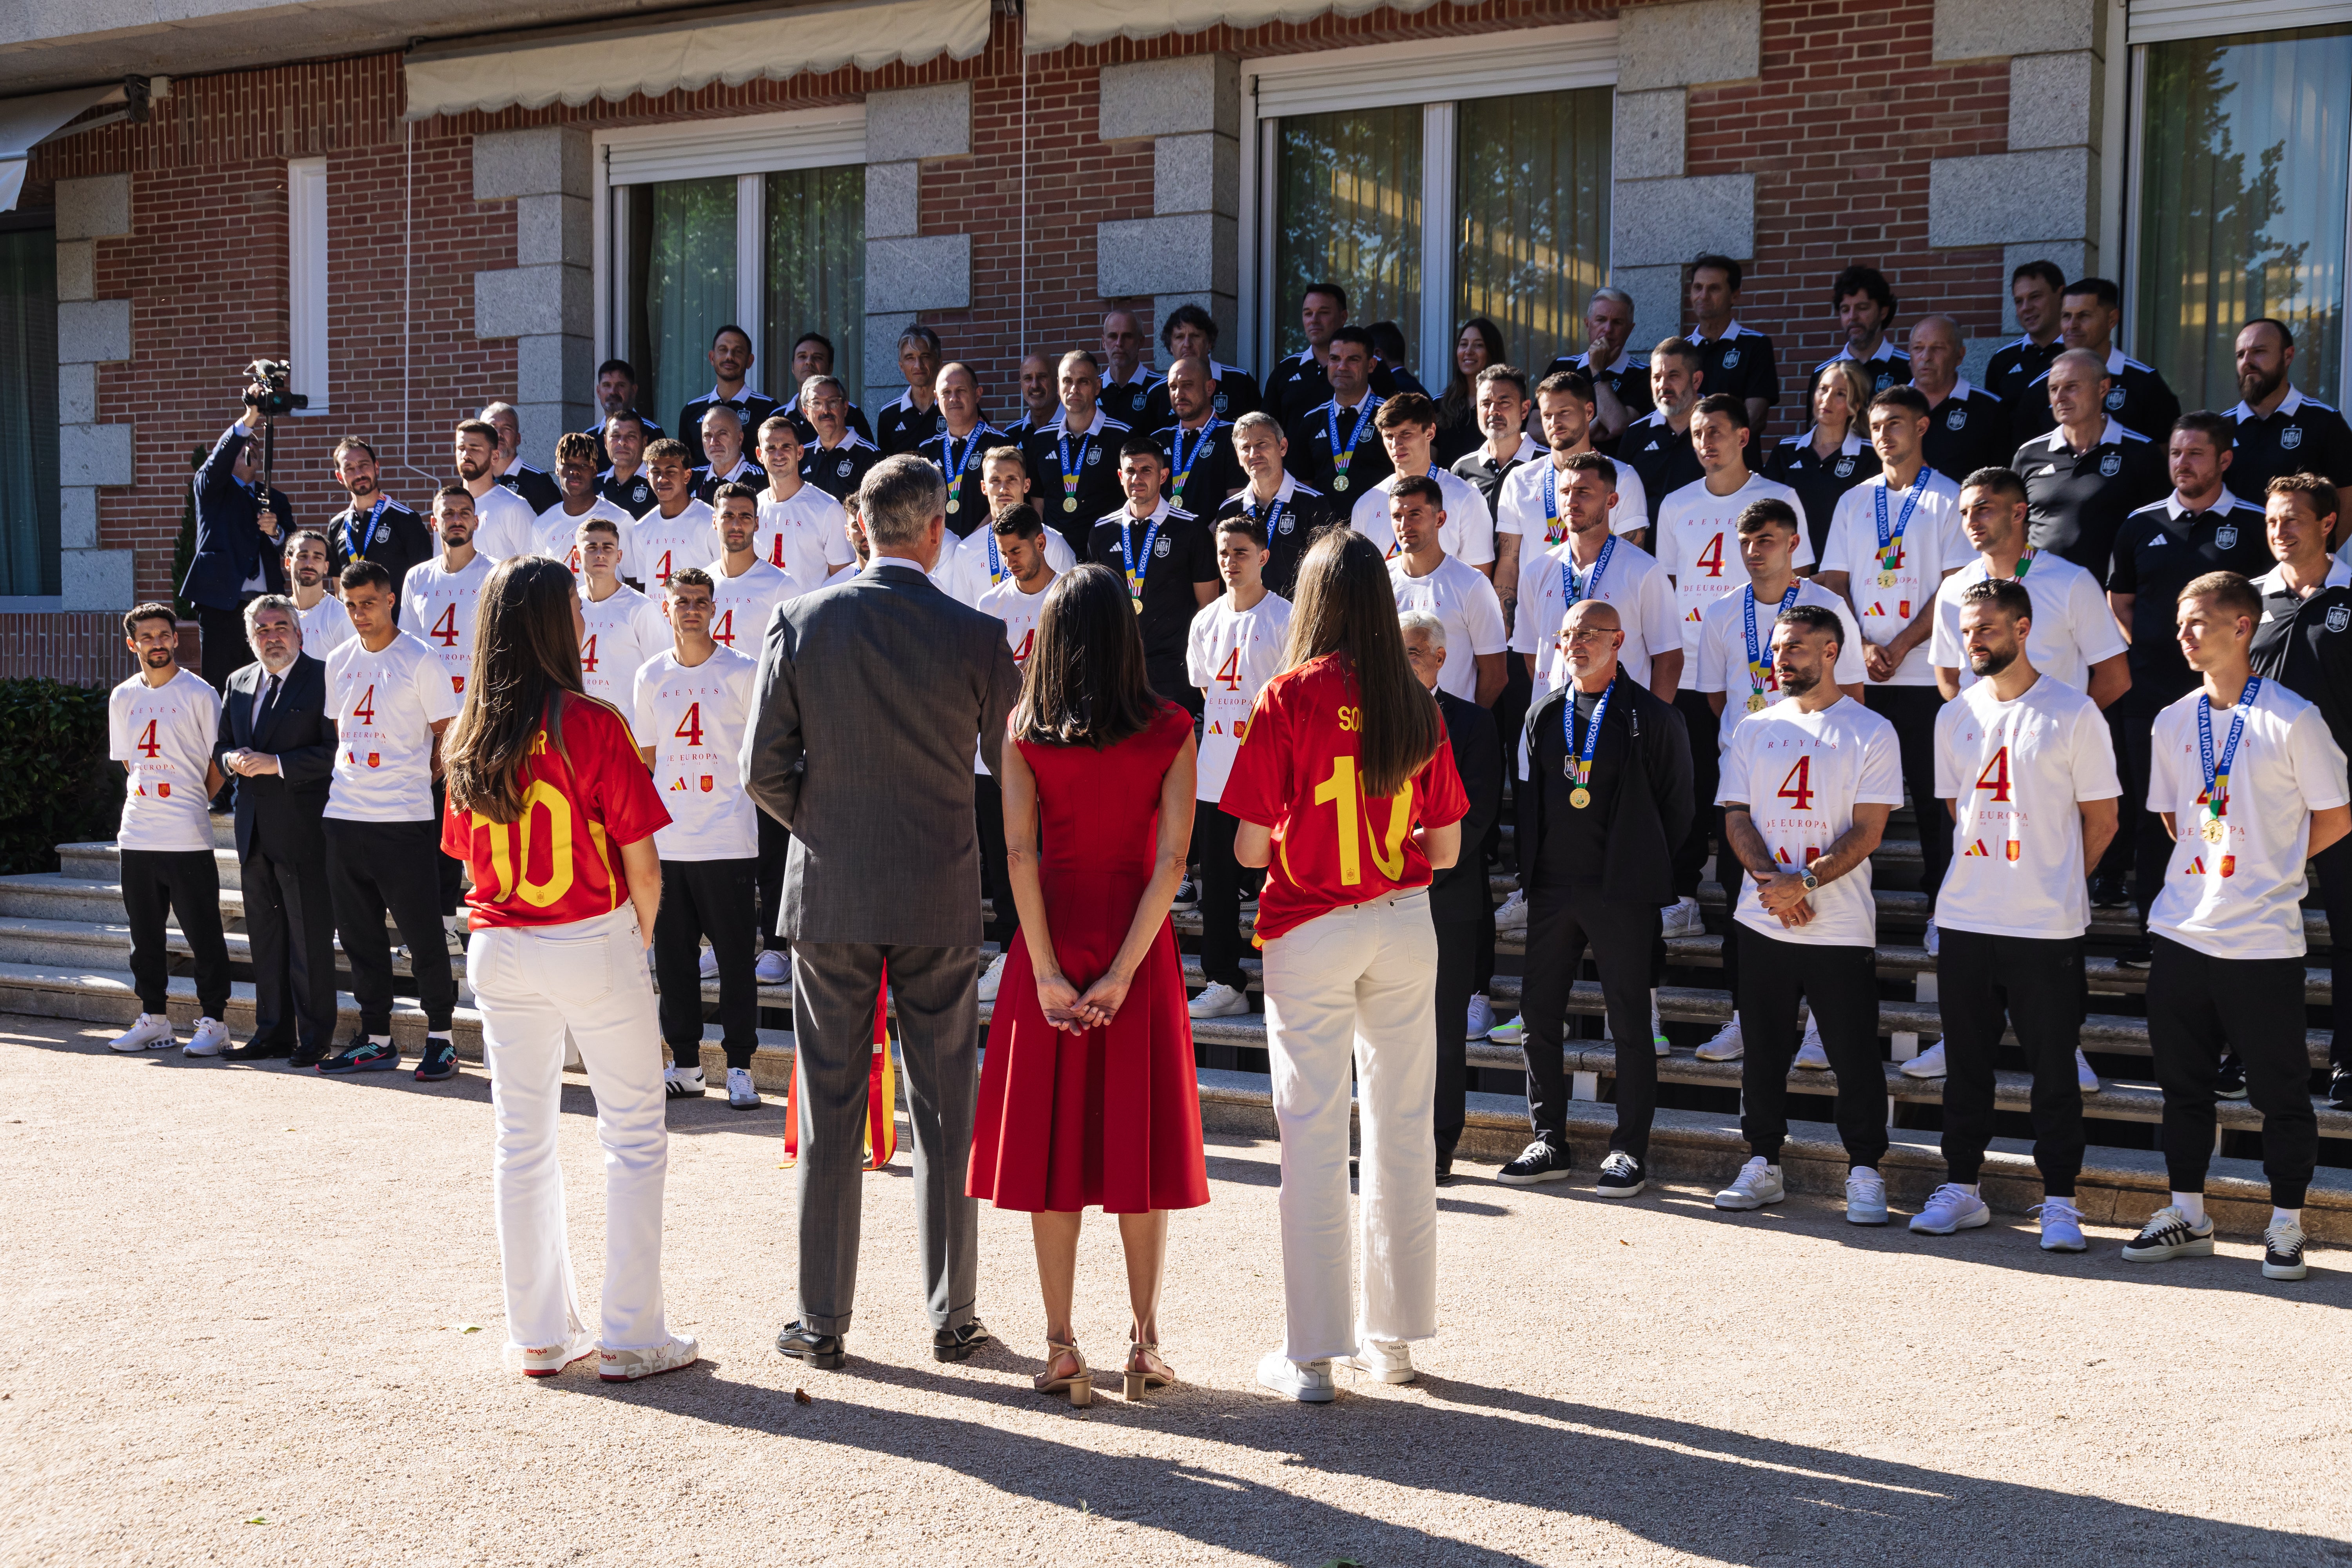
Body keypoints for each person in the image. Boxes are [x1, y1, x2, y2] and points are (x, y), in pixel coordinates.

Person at [744, 454, 1022, 1372]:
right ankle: (955, 1314)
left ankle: (821, 1318)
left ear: (859, 527)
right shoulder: (976, 635)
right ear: (937, 528)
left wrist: (823, 824)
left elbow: (762, 770)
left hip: (831, 884)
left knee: (831, 1105)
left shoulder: (800, 619)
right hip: (937, 883)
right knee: (948, 1109)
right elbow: (1010, 766)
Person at [1222, 529, 1469, 1403]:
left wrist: (1303, 830)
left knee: (1313, 1134)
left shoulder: (1288, 694)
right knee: (1403, 1130)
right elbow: (1445, 849)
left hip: (1313, 923)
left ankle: (1313, 1356)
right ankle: (1393, 1343)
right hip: (1402, 919)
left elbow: (1250, 848)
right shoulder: (1416, 697)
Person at [439, 555, 693, 1381]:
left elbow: (464, 857)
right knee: (633, 1136)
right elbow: (645, 867)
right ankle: (630, 1334)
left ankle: (541, 1335)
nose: (587, 619)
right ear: (556, 625)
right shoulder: (592, 721)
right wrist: (636, 945)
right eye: (575, 610)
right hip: (589, 931)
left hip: (498, 942)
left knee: (522, 1138)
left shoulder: (466, 730)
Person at [966, 563, 1206, 1405]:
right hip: (1136, 946)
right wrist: (1125, 970)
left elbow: (1019, 855)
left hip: (1054, 935)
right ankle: (1145, 1341)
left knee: (1053, 1150)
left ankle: (1063, 1343)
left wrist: (1041, 969)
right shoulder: (1173, 724)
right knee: (1136, 1147)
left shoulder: (1024, 731)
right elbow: (1175, 857)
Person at [2127, 570, 2349, 1282]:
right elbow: (2172, 818)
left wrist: (2272, 861)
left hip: (2261, 937)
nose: (2184, 635)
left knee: (2280, 1092)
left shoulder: (2294, 717)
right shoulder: (2171, 719)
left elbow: (2337, 816)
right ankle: (2188, 1214)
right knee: (2183, 1088)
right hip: (2184, 930)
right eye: (2181, 623)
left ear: (2242, 627)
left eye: (2199, 623)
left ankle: (2286, 1227)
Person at [1912, 579, 2120, 1250]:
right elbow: (1957, 812)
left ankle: (2060, 1200)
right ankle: (1962, 1187)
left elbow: (2103, 819)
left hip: (2044, 925)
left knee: (2054, 1070)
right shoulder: (1954, 715)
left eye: (1988, 629)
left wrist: (2055, 879)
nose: (1974, 641)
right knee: (1967, 1065)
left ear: (2024, 629)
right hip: (1968, 916)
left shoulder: (2073, 711)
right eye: (1968, 630)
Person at [1711, 604, 1904, 1223]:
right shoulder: (1752, 728)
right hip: (1762, 914)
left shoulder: (1871, 730)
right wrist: (1776, 885)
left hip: (1840, 922)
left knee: (1852, 1053)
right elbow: (1735, 813)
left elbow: (1870, 830)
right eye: (1776, 648)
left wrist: (1807, 881)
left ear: (1830, 652)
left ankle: (1866, 1169)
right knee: (1764, 1049)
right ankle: (1763, 1161)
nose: (1781, 658)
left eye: (1794, 647)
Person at [1502, 597, 1693, 1194]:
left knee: (1631, 1023)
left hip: (1622, 891)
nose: (1576, 643)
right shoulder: (1543, 714)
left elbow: (1679, 809)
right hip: (1555, 888)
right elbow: (1529, 802)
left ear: (1619, 642)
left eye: (1589, 633)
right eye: (1566, 635)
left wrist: (1644, 870)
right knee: (1538, 1018)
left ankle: (1629, 1149)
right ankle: (1548, 1139)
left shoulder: (1652, 717)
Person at [1688, 497, 1866, 1066]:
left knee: (1825, 884)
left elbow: (1854, 695)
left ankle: (1817, 1025)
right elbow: (1719, 697)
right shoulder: (1720, 612)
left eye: (1765, 539)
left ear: (1794, 543)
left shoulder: (1827, 605)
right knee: (1748, 895)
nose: (1752, 551)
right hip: (1750, 768)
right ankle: (1744, 1018)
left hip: (1819, 766)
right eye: (1745, 541)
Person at [1498, 452, 1682, 960]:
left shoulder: (1642, 571)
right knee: (1548, 865)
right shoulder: (1539, 570)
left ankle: (1641, 1009)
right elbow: (1526, 656)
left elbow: (1669, 657)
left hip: (1618, 735)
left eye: (1584, 491)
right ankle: (1543, 1005)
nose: (1572, 501)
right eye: (1565, 491)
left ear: (1612, 500)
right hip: (1552, 736)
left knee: (1619, 871)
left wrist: (1648, 730)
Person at [2101, 412, 2272, 950]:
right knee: (2158, 815)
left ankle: (2229, 925)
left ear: (2224, 459)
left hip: (2232, 701)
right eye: (2176, 454)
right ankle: (2157, 931)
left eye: (2196, 454)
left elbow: (2270, 607)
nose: (2183, 464)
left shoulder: (2253, 523)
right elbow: (2120, 602)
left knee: (2230, 810)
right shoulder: (2140, 524)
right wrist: (2161, 647)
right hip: (2151, 695)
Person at [1656, 392, 1813, 935]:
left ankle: (1775, 889)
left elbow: (1804, 587)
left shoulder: (1779, 495)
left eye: (1717, 432)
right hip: (1700, 668)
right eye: (1698, 434)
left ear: (1744, 436)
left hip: (1774, 681)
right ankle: (1683, 894)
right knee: (1695, 787)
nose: (1706, 443)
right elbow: (1671, 588)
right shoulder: (1676, 504)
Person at [1816, 386, 1968, 914]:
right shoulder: (1854, 499)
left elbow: (1955, 585)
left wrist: (1900, 645)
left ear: (1923, 427)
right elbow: (1832, 580)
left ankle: (1942, 908)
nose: (1883, 436)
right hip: (1860, 675)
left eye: (1895, 424)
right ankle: (1838, 898)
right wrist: (1860, 643)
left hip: (1925, 677)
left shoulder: (1949, 498)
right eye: (1876, 426)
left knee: (1934, 799)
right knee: (1845, 798)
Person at [317, 558, 463, 1079]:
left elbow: (447, 734)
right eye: (351, 605)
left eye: (369, 603)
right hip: (345, 816)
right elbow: (342, 729)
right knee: (360, 938)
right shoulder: (337, 659)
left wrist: (413, 783)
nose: (360, 614)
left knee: (424, 936)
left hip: (403, 820)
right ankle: (376, 1037)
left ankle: (442, 1039)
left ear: (390, 600)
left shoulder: (422, 659)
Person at [630, 566, 763, 1107]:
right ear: (666, 609)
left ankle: (740, 1067)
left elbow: (762, 751)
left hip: (728, 837)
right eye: (681, 600)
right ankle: (685, 1064)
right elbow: (647, 758)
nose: (690, 609)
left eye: (699, 601)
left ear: (714, 609)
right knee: (676, 960)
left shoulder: (744, 671)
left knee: (734, 960)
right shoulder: (649, 676)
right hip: (671, 842)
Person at [2249, 475, 2352, 1108]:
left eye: (2292, 520)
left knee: (2348, 934)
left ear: (2328, 524)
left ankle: (2348, 1061)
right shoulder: (2247, 599)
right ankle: (2248, 1053)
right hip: (2262, 800)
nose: (2280, 532)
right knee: (2255, 929)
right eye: (2271, 522)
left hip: (2343, 800)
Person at [214, 594, 339, 1065]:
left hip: (304, 829)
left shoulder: (323, 677)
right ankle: (271, 1034)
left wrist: (277, 764)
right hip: (253, 831)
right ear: (251, 638)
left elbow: (334, 751)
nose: (273, 636)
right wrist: (230, 761)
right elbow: (222, 743)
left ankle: (314, 1038)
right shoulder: (238, 681)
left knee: (309, 939)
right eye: (262, 630)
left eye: (280, 626)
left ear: (299, 631)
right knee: (265, 938)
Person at [104, 605, 232, 1057]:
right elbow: (128, 759)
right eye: (147, 637)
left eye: (164, 635)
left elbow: (219, 763)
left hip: (187, 833)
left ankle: (215, 1023)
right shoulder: (122, 696)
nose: (157, 643)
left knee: (204, 933)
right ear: (132, 644)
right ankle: (154, 1019)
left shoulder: (200, 693)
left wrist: (193, 798)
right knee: (145, 936)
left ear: (176, 640)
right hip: (137, 832)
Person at [1400, 610, 1500, 1182]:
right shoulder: (1364, 720)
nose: (1403, 662)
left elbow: (1477, 815)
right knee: (1384, 1028)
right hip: (1378, 895)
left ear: (1441, 659)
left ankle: (1438, 1146)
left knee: (1441, 1029)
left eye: (1413, 652)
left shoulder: (1473, 724)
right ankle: (1389, 1139)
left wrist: (1409, 857)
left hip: (1446, 896)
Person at [1185, 513, 1294, 1020]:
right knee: (1220, 887)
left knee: (1282, 880)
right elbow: (1208, 692)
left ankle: (1288, 978)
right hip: (1215, 777)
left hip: (1273, 779)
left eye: (1241, 553)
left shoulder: (1286, 618)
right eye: (1224, 553)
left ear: (1264, 557)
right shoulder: (1206, 621)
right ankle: (1225, 980)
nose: (1230, 562)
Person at [1927, 465, 2129, 705]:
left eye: (1983, 510)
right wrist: (1975, 721)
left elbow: (2116, 678)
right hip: (1983, 738)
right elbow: (1948, 676)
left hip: (2051, 739)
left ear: (2018, 513)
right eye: (1965, 513)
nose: (1971, 521)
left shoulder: (2071, 582)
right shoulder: (1952, 589)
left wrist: (2067, 727)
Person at [973, 505, 1060, 1004]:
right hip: (1000, 750)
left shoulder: (1068, 595)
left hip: (1056, 748)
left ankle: (1050, 947)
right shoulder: (989, 602)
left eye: (1018, 550)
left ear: (1042, 542)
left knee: (1051, 852)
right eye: (1004, 553)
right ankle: (1010, 950)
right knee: (1008, 853)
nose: (1011, 561)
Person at [407, 484, 495, 944]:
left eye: (465, 512)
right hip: (428, 721)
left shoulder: (496, 575)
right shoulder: (417, 578)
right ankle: (441, 924)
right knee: (437, 826)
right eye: (448, 513)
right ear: (434, 522)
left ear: (478, 521)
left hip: (479, 719)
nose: (457, 519)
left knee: (484, 824)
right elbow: (403, 649)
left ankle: (492, 915)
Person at [1495, 370, 1651, 610]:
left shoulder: (1623, 478)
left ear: (1589, 412)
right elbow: (1508, 564)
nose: (1554, 423)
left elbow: (1632, 563)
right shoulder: (1519, 479)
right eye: (1547, 415)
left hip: (1599, 626)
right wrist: (1505, 632)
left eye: (1564, 413)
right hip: (1535, 628)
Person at [2013, 347, 2168, 575]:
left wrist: (2129, 592)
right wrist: (2020, 579)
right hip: (2041, 594)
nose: (2060, 398)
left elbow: (2159, 530)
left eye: (2071, 387)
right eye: (2053, 389)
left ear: (2103, 388)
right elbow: (2019, 532)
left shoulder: (2141, 451)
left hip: (2109, 598)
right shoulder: (2029, 455)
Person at [1087, 439, 1218, 711]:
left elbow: (1208, 607)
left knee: (1171, 751)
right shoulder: (1102, 530)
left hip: (1173, 668)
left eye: (1146, 470)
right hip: (1117, 666)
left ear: (1163, 476)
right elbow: (1095, 603)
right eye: (1130, 471)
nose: (1137, 478)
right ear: (1121, 476)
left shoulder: (1191, 529)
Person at [183, 399, 292, 689]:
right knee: (223, 684)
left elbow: (292, 546)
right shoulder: (211, 488)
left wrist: (276, 532)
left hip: (266, 607)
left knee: (268, 681)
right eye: (244, 443)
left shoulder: (276, 499)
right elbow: (217, 462)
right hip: (222, 604)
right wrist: (250, 418)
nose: (251, 447)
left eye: (256, 444)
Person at [2013, 278, 2181, 445]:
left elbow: (2164, 457)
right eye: (2066, 316)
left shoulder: (2146, 383)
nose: (2072, 326)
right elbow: (2026, 459)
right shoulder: (2039, 387)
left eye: (2084, 316)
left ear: (2112, 319)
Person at [1384, 475, 1506, 706]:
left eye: (1415, 515)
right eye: (1397, 516)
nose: (1404, 526)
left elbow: (1496, 676)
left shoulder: (1472, 584)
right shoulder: (1379, 581)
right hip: (1392, 728)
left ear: (1440, 519)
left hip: (1450, 733)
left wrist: (1464, 726)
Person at [1350, 394, 1497, 573]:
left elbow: (1479, 579)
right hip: (1381, 601)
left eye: (1406, 434)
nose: (1397, 444)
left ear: (1430, 432)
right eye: (1389, 436)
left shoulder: (1466, 498)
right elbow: (1359, 577)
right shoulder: (1367, 503)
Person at [1760, 358, 1880, 563]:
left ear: (1856, 405)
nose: (1827, 399)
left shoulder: (1871, 455)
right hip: (1791, 571)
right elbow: (1765, 514)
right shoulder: (1786, 450)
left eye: (1840, 394)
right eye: (1823, 389)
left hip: (1848, 572)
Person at [1215, 411, 1337, 599]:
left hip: (1296, 619)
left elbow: (1329, 573)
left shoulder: (1313, 503)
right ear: (1239, 457)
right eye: (1246, 447)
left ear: (1283, 447)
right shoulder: (1230, 510)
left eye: (1262, 444)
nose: (1254, 454)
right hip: (1248, 619)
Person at [1023, 351, 1131, 555]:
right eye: (1067, 381)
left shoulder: (1123, 436)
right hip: (1055, 558)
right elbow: (1038, 506)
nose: (1074, 389)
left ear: (1098, 387)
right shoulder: (1040, 439)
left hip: (1107, 554)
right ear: (1058, 387)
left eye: (1083, 382)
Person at [2228, 319, 2352, 495]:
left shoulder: (2325, 422)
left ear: (2288, 356)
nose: (2246, 362)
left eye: (2258, 352)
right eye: (2240, 355)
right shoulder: (2221, 427)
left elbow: (2347, 502)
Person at [948, 446, 1079, 606]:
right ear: (984, 487)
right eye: (995, 480)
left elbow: (1072, 609)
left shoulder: (1053, 544)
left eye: (1012, 479)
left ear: (1027, 485)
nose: (1004, 489)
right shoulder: (966, 550)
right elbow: (963, 619)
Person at [1262, 281, 1397, 422]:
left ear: (1343, 317)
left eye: (1324, 313)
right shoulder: (1286, 370)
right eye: (1308, 314)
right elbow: (1266, 429)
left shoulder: (1373, 368)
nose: (1314, 320)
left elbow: (1395, 422)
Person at [1285, 326, 1393, 500]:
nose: (1342, 367)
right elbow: (1302, 485)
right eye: (1335, 359)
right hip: (1322, 526)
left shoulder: (1392, 416)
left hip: (1377, 524)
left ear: (1371, 365)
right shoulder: (1312, 420)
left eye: (1353, 360)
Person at [325, 437, 432, 606]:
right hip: (358, 626)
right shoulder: (336, 526)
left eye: (364, 465)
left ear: (376, 467)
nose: (359, 473)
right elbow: (339, 589)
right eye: (350, 468)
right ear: (340, 477)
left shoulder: (406, 519)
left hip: (398, 626)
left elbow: (425, 581)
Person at [574, 517, 668, 709]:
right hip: (579, 722)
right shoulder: (568, 606)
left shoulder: (640, 608)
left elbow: (661, 674)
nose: (600, 554)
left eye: (608, 547)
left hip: (628, 726)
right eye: (592, 547)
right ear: (577, 556)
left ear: (619, 556)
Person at [1686, 254, 1780, 439]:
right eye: (1698, 288)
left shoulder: (1756, 345)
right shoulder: (1681, 350)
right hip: (1689, 461)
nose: (1703, 296)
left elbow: (1755, 418)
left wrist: (1712, 447)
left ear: (1735, 296)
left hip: (1737, 462)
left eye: (1714, 289)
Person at [1909, 314, 2011, 482]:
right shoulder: (1889, 406)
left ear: (1960, 355)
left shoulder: (1989, 408)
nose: (1926, 356)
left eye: (1938, 348)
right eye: (1918, 348)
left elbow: (2001, 481)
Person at [1618, 337, 1707, 527]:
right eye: (1657, 377)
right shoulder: (1636, 434)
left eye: (1673, 376)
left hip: (1701, 550)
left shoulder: (1720, 430)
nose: (1663, 385)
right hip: (1645, 553)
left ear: (1696, 380)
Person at [755, 415, 856, 583]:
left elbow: (843, 583)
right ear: (759, 455)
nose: (779, 454)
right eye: (771, 448)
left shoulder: (828, 509)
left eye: (786, 446)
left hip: (810, 610)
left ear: (800, 452)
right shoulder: (752, 509)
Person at [1543, 285, 1650, 440]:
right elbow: (1534, 427)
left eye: (1617, 322)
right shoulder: (1562, 366)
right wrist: (1587, 430)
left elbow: (1616, 425)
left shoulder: (1645, 374)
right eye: (1601, 320)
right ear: (1587, 324)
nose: (1608, 329)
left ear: (1630, 330)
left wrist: (1597, 370)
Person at [705, 482, 800, 655]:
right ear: (715, 522)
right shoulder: (703, 583)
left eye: (745, 517)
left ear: (757, 524)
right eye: (728, 516)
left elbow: (798, 656)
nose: (736, 525)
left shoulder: (782, 586)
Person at [535, 432, 639, 583]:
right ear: (557, 468)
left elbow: (635, 580)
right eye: (568, 464)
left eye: (584, 465)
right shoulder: (542, 525)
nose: (575, 471)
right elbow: (540, 582)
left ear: (595, 470)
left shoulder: (620, 520)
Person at [1139, 302, 1263, 426]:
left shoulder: (1240, 382)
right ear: (1170, 346)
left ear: (1209, 342)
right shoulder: (1157, 392)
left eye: (1195, 336)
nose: (1187, 344)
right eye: (1180, 337)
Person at [916, 363, 1003, 539]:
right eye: (946, 392)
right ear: (936, 398)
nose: (953, 398)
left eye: (961, 391)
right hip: (940, 554)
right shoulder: (926, 450)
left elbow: (1006, 501)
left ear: (978, 394)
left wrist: (971, 544)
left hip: (986, 548)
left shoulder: (1000, 444)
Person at [1152, 356, 1246, 517]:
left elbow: (1237, 506)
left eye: (1187, 385)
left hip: (1212, 540)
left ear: (1210, 387)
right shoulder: (1157, 441)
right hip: (1163, 540)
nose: (1179, 394)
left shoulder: (1234, 437)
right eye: (1173, 387)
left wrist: (1201, 540)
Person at [677, 324, 779, 468]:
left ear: (750, 361)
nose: (730, 357)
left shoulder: (770, 409)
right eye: (723, 350)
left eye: (738, 352)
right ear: (712, 358)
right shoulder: (691, 411)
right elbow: (686, 468)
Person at [1450, 363, 1540, 519]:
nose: (1493, 410)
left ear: (1524, 410)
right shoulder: (1461, 471)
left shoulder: (1548, 463)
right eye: (1486, 403)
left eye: (1504, 402)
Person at [633, 437, 719, 591]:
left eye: (671, 471)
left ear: (687, 476)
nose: (662, 479)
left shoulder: (711, 521)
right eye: (656, 472)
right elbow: (644, 584)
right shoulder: (641, 528)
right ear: (648, 476)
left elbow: (723, 578)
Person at [1813, 263, 1911, 397]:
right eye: (1845, 310)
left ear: (1883, 312)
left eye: (1863, 308)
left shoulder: (1910, 369)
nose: (1853, 317)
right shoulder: (1823, 374)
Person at [1984, 259, 2067, 416]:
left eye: (2035, 297)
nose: (2026, 308)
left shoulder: (2082, 355)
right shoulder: (2002, 360)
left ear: (2061, 295)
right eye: (2019, 301)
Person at [453, 419, 539, 562]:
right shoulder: (447, 509)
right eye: (461, 448)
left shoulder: (515, 507)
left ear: (495, 457)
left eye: (474, 448)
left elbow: (535, 571)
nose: (466, 455)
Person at [798, 375, 883, 503]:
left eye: (833, 402)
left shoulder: (871, 456)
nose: (825, 410)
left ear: (845, 408)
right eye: (817, 403)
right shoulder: (801, 456)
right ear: (807, 413)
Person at [778, 332, 874, 445]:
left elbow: (868, 456)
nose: (809, 362)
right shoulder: (778, 416)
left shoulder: (851, 414)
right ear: (793, 367)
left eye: (817, 358)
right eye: (802, 356)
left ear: (830, 368)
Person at [1434, 317, 1506, 466]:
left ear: (1492, 352)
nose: (1468, 351)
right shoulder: (1439, 405)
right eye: (1463, 345)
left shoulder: (1507, 405)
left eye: (1479, 345)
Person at [874, 324, 945, 456]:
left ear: (939, 362)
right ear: (901, 366)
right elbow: (885, 467)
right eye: (910, 358)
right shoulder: (889, 415)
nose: (919, 365)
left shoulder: (955, 406)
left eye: (925, 356)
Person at [477, 402, 560, 515]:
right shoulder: (474, 481)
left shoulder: (539, 482)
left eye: (507, 428)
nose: (499, 434)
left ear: (518, 439)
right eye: (492, 428)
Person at [284, 528, 354, 661]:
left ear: (326, 567)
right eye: (303, 556)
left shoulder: (341, 616)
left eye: (317, 557)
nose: (309, 563)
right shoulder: (279, 613)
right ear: (288, 563)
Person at [580, 357, 664, 467]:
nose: (613, 392)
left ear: (633, 391)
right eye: (607, 385)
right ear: (598, 391)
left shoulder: (653, 433)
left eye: (620, 385)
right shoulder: (588, 438)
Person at [1094, 307, 1159, 431]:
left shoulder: (1160, 388)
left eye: (1127, 336)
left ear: (1141, 342)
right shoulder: (1092, 390)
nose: (1119, 343)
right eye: (1113, 336)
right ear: (1104, 342)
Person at [690, 405, 768, 503]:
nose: (714, 442)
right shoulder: (691, 478)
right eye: (708, 435)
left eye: (722, 434)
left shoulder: (758, 480)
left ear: (740, 438)